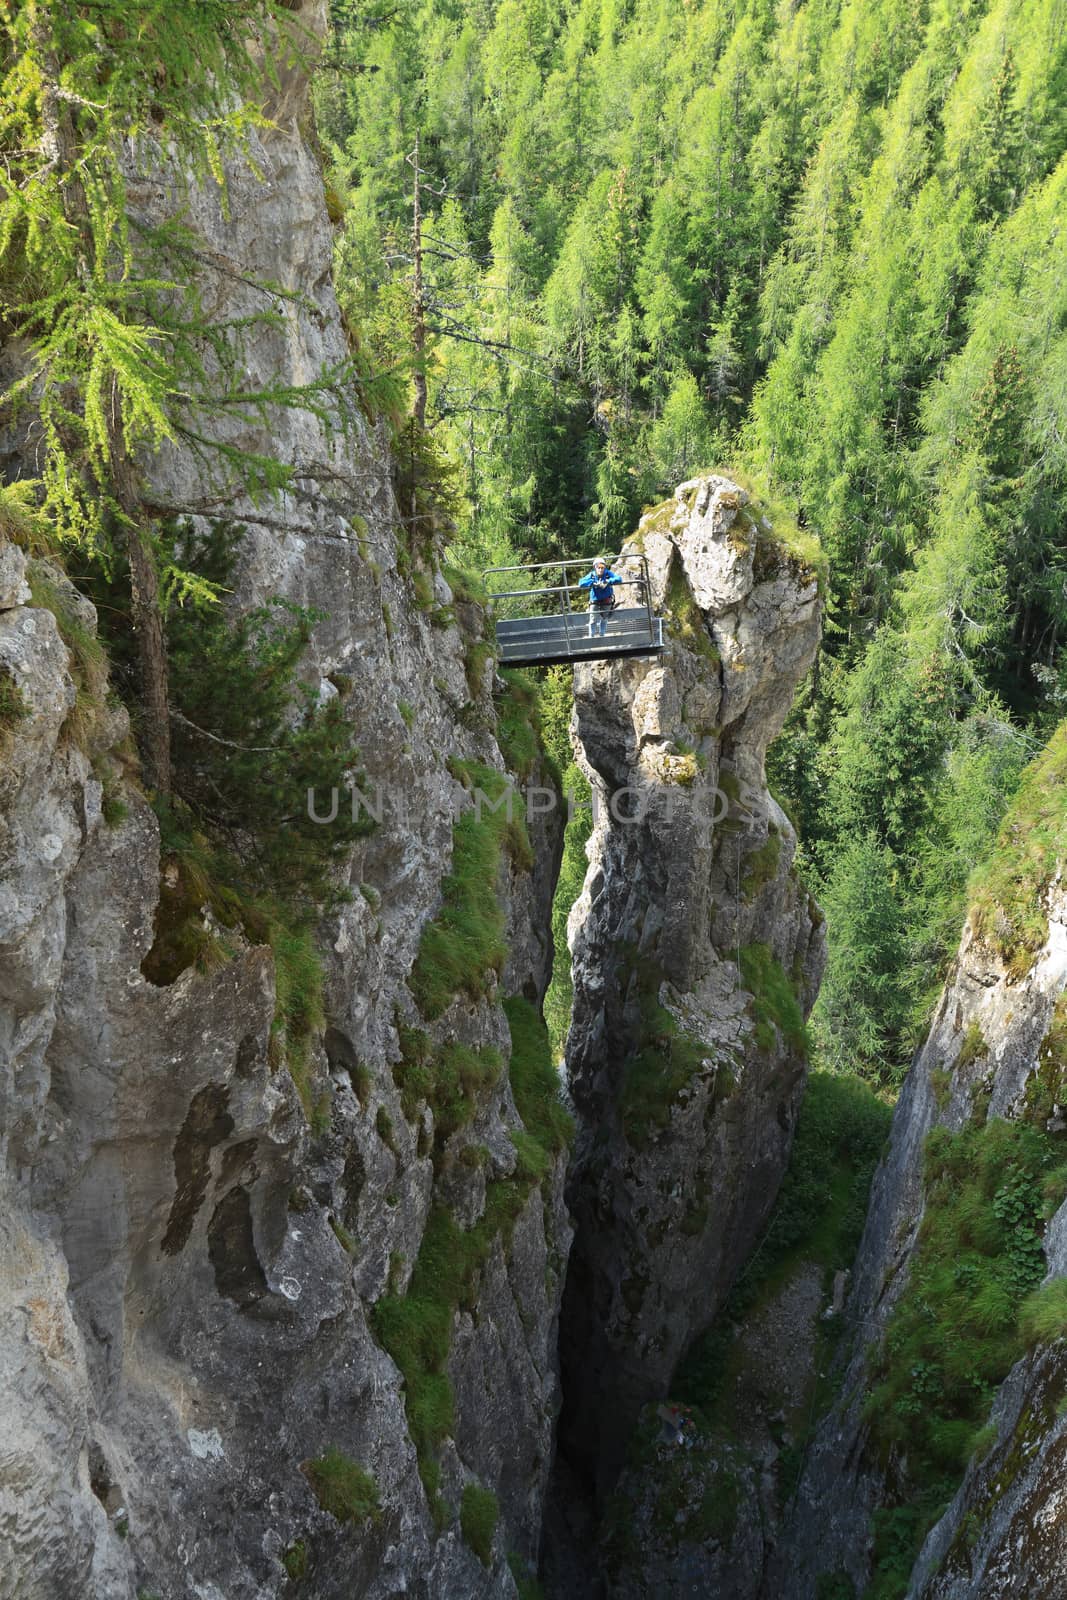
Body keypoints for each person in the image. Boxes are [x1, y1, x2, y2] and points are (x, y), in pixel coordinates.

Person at [578, 556, 622, 637]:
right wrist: (592, 582)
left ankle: (602, 634)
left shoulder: (608, 574)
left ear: (604, 567)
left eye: (602, 567)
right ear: (595, 567)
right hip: (595, 600)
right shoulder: (592, 575)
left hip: (606, 600)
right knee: (593, 619)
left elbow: (619, 579)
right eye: (599, 567)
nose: (601, 569)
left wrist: (609, 581)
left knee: (604, 619)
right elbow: (581, 583)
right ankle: (591, 636)